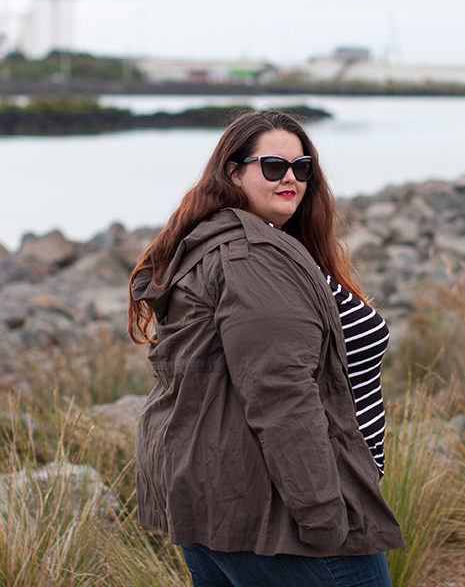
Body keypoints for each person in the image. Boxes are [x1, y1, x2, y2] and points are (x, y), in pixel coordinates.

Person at [127, 109, 404, 587]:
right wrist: (323, 513)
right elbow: (281, 394)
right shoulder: (253, 257)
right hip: (275, 513)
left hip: (230, 497)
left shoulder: (237, 243)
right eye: (273, 166)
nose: (290, 178)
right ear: (233, 172)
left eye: (302, 168)